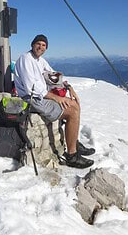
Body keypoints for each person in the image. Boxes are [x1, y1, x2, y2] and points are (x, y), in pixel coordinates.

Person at [14, 34, 95, 169]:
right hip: (32, 99)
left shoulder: (40, 61)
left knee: (74, 104)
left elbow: (54, 77)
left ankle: (73, 142)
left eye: (44, 45)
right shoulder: (25, 59)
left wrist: (69, 88)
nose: (41, 47)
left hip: (41, 96)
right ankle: (72, 155)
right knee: (72, 111)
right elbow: (31, 89)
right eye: (38, 44)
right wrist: (56, 97)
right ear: (32, 44)